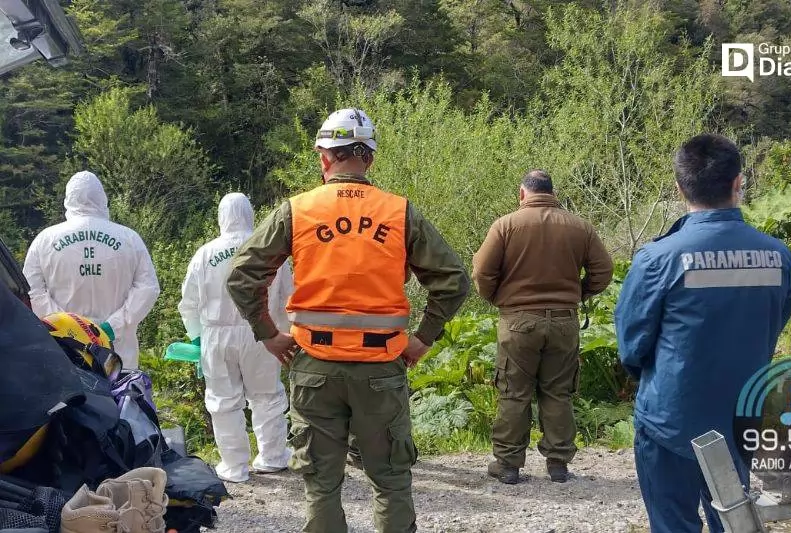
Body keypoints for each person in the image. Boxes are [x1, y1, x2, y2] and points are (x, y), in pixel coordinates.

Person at [227, 108, 469, 533]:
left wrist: (268, 334)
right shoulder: (399, 212)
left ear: (324, 158)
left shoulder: (297, 210)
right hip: (381, 368)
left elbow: (242, 276)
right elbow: (453, 282)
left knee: (321, 484)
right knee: (391, 480)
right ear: (369, 159)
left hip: (313, 363)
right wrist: (423, 339)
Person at [615, 134, 791, 533]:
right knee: (733, 517)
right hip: (740, 416)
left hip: (670, 418)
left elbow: (632, 344)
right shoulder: (778, 256)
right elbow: (775, 322)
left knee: (672, 522)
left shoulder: (657, 258)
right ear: (738, 183)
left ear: (680, 186)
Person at [472, 169, 614, 484]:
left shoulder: (506, 225)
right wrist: (580, 293)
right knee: (558, 392)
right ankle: (559, 464)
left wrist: (497, 298)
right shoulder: (581, 227)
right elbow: (604, 270)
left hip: (518, 321)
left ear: (523, 194)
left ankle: (508, 465)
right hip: (565, 321)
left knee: (514, 393)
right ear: (553, 193)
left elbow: (481, 271)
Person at [178, 192, 292, 483]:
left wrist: (196, 338)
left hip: (216, 334)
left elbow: (188, 302)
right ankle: (272, 457)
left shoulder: (205, 254)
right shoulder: (269, 250)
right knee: (266, 395)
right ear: (251, 215)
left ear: (221, 216)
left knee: (222, 401)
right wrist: (282, 333)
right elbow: (287, 298)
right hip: (262, 332)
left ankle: (234, 466)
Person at [23, 171, 160, 369]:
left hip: (65, 348)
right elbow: (148, 288)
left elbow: (31, 291)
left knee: (73, 398)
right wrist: (113, 326)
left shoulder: (45, 240)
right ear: (102, 198)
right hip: (117, 350)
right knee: (119, 396)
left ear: (68, 198)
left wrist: (67, 326)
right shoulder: (129, 239)